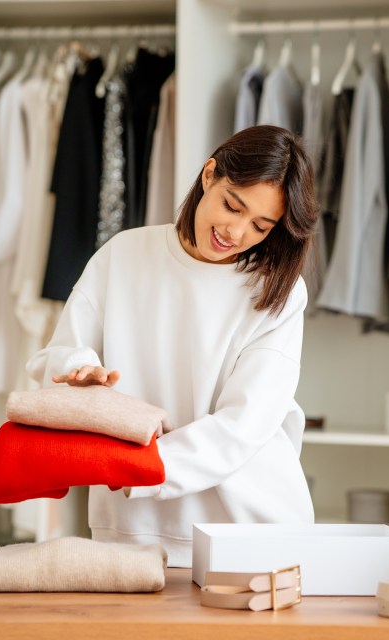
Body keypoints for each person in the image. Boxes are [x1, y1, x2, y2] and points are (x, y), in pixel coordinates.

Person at [26, 125, 318, 567]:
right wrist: (82, 374)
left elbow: (245, 424)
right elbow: (63, 352)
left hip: (248, 525)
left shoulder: (278, 292)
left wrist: (140, 467)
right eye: (231, 206)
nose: (235, 232)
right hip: (131, 522)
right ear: (209, 175)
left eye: (260, 225)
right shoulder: (123, 255)